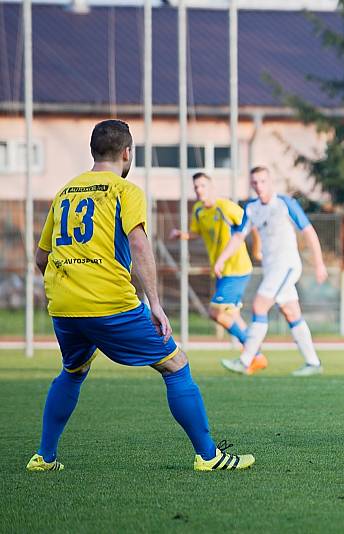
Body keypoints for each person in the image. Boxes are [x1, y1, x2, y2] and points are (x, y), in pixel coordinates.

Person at [26, 120, 254, 472]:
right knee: (176, 365)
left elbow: (41, 257)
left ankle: (45, 457)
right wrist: (155, 304)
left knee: (72, 371)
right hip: (110, 304)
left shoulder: (65, 191)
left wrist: (68, 290)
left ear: (93, 151)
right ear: (127, 153)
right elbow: (139, 244)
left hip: (64, 306)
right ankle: (210, 456)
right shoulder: (125, 190)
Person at [217, 166, 328, 377]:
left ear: (271, 182)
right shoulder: (252, 209)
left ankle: (245, 360)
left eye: (263, 181)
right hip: (272, 270)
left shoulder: (285, 204)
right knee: (291, 312)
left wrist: (319, 263)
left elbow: (309, 232)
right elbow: (239, 237)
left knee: (259, 306)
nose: (259, 186)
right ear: (251, 185)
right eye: (255, 182)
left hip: (286, 265)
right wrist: (221, 260)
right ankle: (313, 363)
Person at [169, 172, 267, 375]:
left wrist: (257, 250)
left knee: (216, 311)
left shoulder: (225, 206)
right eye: (196, 187)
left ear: (212, 187)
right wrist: (183, 235)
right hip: (222, 271)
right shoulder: (198, 210)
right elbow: (198, 232)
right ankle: (255, 356)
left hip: (237, 268)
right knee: (232, 314)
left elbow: (252, 225)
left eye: (203, 186)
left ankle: (255, 354)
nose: (199, 190)